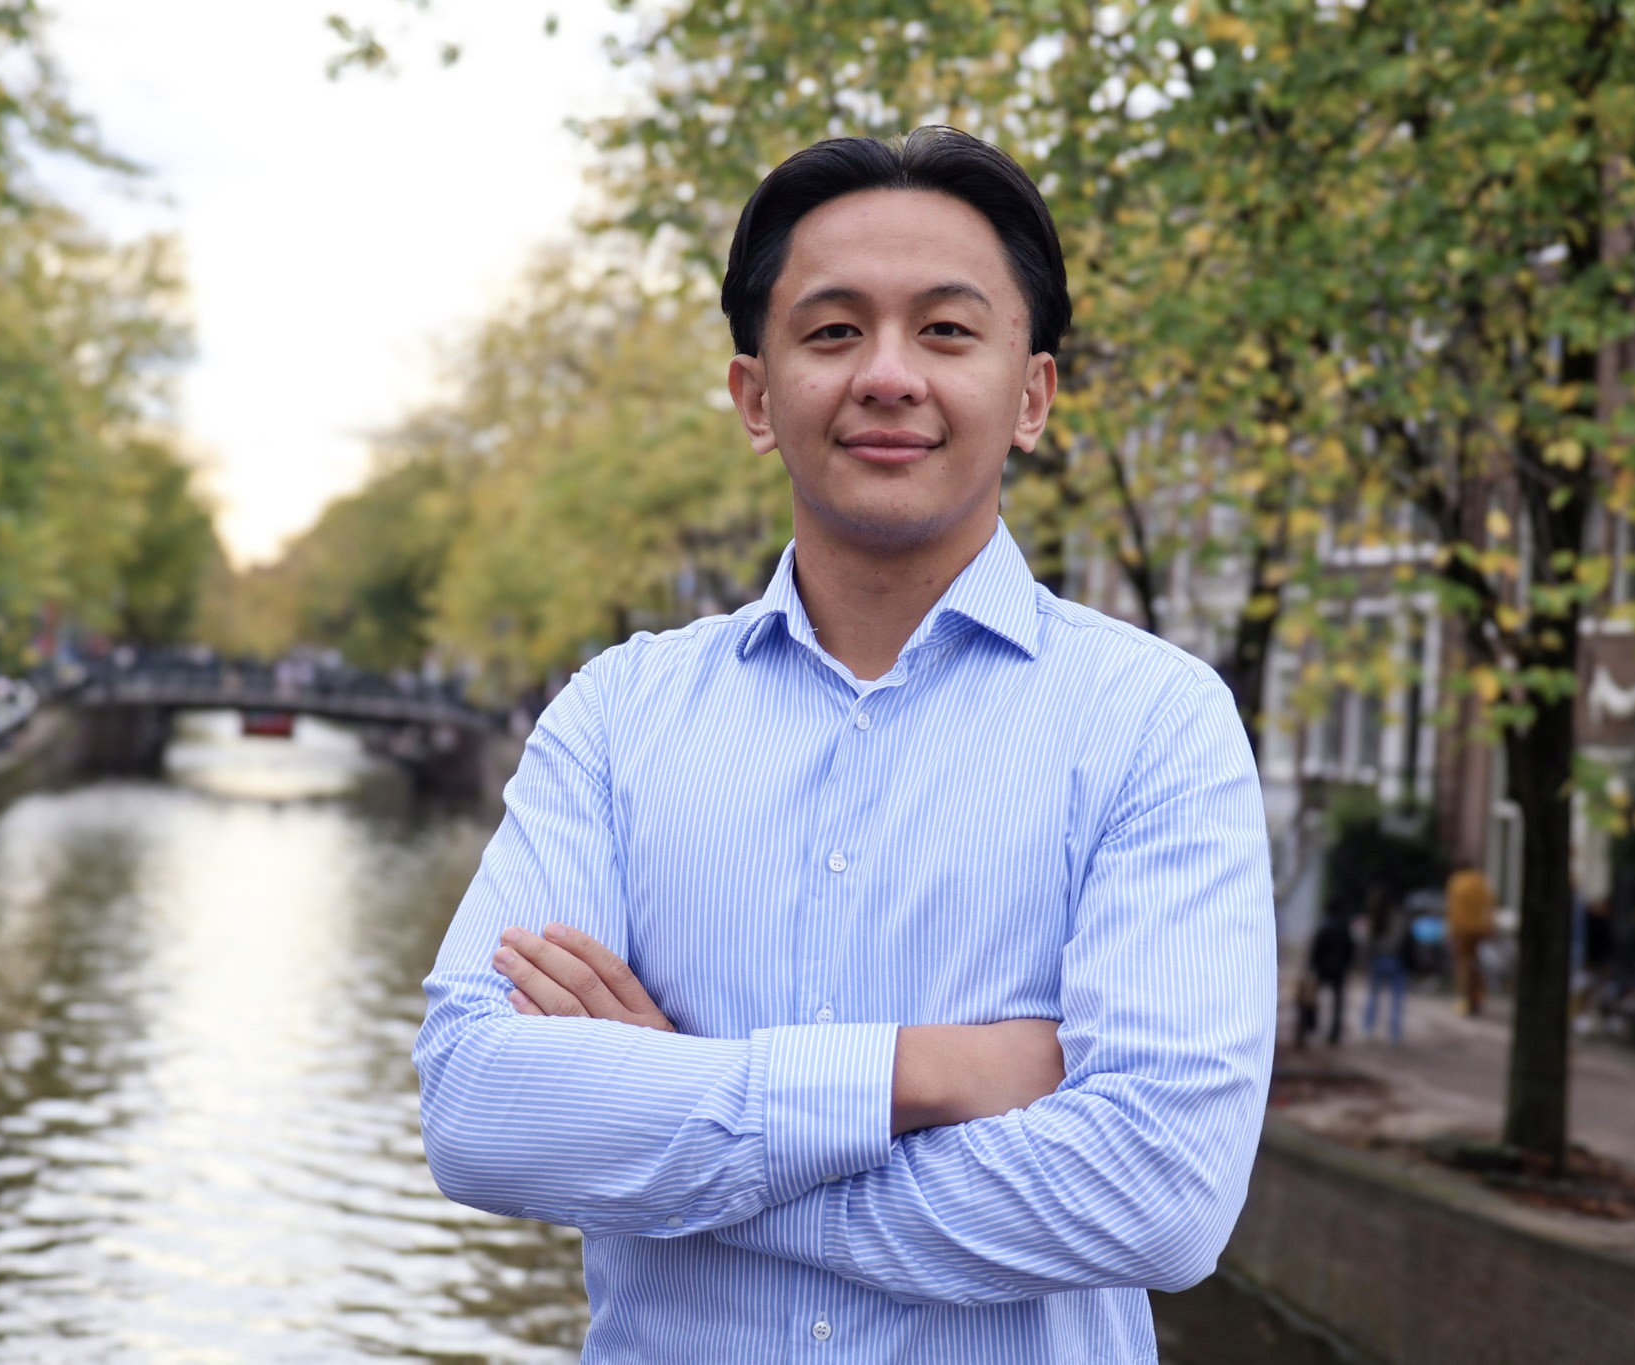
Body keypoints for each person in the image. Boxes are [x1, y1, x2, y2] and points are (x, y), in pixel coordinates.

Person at [411, 129, 1277, 1360]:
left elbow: (1160, 1193)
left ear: (1028, 396)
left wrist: (685, 1119)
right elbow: (478, 1111)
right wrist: (918, 1077)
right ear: (755, 399)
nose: (885, 375)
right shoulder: (615, 714)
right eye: (830, 333)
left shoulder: (1156, 724)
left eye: (944, 331)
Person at [1444, 860, 1498, 1016]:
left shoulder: (1456, 881)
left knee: (1463, 965)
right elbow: (1490, 903)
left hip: (1462, 929)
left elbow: (1452, 908)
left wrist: (1451, 931)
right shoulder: (1481, 880)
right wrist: (1489, 925)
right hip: (1479, 928)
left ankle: (1463, 1000)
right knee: (1476, 964)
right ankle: (1478, 997)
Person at [1362, 885, 1409, 1043]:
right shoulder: (1396, 915)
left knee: (1373, 995)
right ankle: (1394, 1033)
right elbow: (1398, 939)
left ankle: (1368, 1028)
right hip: (1394, 960)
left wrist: (1372, 952)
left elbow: (1368, 941)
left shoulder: (1375, 915)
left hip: (1378, 959)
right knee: (1396, 998)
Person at [1306, 902, 1355, 1047]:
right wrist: (1346, 965)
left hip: (1322, 968)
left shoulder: (1325, 926)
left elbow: (1316, 949)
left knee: (1312, 996)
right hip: (1339, 969)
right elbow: (1350, 949)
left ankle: (1311, 1024)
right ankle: (1335, 1033)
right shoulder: (1345, 927)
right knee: (1338, 1002)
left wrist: (1312, 967)